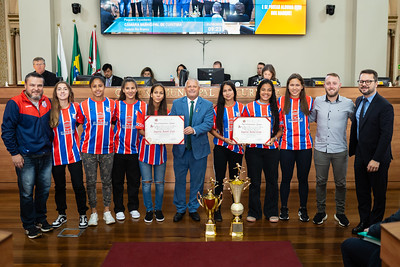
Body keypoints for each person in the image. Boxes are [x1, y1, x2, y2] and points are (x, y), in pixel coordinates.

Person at [1, 72, 53, 238]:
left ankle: (41, 219)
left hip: (45, 155)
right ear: (25, 86)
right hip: (26, 157)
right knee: (26, 193)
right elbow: (7, 131)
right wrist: (14, 153)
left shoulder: (47, 102)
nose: (36, 89)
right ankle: (29, 225)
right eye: (32, 85)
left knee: (43, 191)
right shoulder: (15, 103)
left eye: (39, 85)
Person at [349, 69, 394, 234]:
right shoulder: (359, 100)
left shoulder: (385, 106)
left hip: (378, 158)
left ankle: (374, 228)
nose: (364, 84)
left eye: (368, 81)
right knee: (362, 193)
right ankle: (364, 222)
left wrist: (376, 159)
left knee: (378, 195)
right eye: (362, 81)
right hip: (361, 155)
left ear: (376, 83)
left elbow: (386, 136)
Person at [309, 73, 354, 227]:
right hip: (321, 148)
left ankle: (340, 213)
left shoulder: (348, 103)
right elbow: (309, 119)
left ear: (339, 85)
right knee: (320, 182)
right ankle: (321, 211)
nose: (331, 86)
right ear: (324, 85)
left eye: (334, 83)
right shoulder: (317, 102)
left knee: (341, 183)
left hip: (340, 150)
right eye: (328, 83)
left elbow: (359, 122)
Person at [170, 79, 214, 222]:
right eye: (189, 86)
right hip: (180, 150)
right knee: (180, 180)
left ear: (199, 88)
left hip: (199, 151)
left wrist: (194, 130)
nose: (192, 88)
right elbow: (172, 121)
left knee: (197, 181)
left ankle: (194, 208)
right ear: (185, 89)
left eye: (194, 86)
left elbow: (208, 124)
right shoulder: (177, 104)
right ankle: (181, 208)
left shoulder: (207, 105)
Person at [50, 82, 89, 229]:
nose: (62, 91)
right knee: (59, 187)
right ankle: (62, 214)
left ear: (69, 92)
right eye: (59, 89)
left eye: (65, 89)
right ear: (55, 93)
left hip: (74, 154)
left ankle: (83, 215)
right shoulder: (51, 109)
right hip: (56, 155)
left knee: (78, 186)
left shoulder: (76, 107)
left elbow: (80, 123)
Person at [78, 76, 116, 226]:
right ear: (90, 88)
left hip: (108, 149)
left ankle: (107, 210)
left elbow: (114, 121)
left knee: (107, 181)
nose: (98, 89)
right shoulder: (83, 105)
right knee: (91, 182)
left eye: (100, 85)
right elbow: (79, 123)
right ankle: (93, 212)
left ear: (104, 86)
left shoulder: (112, 104)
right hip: (88, 150)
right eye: (94, 86)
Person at [243, 79, 282, 223]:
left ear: (272, 92)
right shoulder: (250, 107)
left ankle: (271, 211)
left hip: (271, 149)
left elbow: (280, 129)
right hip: (253, 150)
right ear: (259, 91)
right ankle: (254, 211)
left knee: (272, 181)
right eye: (263, 89)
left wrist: (274, 138)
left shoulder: (276, 107)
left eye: (269, 90)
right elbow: (243, 126)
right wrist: (244, 137)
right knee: (255, 182)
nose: (266, 92)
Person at [278, 73, 313, 222]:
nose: (294, 88)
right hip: (286, 146)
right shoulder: (281, 101)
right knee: (285, 178)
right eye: (291, 85)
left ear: (302, 86)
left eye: (297, 85)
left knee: (303, 179)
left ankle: (303, 208)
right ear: (288, 86)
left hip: (305, 146)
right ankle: (284, 208)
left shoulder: (309, 100)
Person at [209, 81, 245, 222]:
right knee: (219, 178)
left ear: (234, 91)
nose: (227, 93)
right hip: (221, 147)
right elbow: (211, 129)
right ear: (221, 93)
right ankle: (217, 208)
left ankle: (236, 206)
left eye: (230, 90)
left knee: (235, 179)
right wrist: (223, 139)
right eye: (224, 91)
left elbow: (248, 127)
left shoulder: (242, 108)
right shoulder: (216, 109)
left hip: (237, 148)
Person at [112, 78, 145, 221]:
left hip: (136, 151)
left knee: (134, 182)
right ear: (123, 90)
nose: (130, 91)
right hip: (118, 151)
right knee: (117, 181)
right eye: (127, 88)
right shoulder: (117, 105)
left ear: (136, 90)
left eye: (133, 88)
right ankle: (119, 208)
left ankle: (133, 207)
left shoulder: (143, 105)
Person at [136, 84, 169, 222]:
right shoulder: (142, 109)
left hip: (160, 152)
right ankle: (149, 210)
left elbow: (169, 131)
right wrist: (154, 135)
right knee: (146, 182)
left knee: (160, 183)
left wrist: (163, 136)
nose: (158, 95)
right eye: (156, 92)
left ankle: (158, 209)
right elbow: (140, 129)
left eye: (161, 93)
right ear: (151, 94)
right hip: (145, 151)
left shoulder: (167, 112)